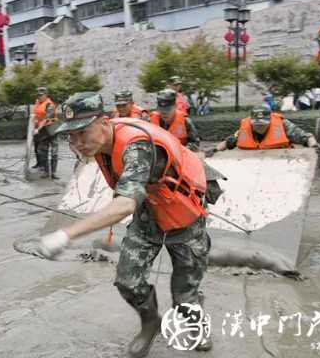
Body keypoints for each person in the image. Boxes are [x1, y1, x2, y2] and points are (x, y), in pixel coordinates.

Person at [35, 92, 215, 357]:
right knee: (128, 280)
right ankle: (150, 322)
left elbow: (124, 206)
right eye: (70, 136)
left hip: (184, 213)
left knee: (185, 292)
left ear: (105, 121)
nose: (77, 143)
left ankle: (195, 325)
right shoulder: (101, 144)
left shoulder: (136, 146)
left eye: (82, 132)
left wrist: (65, 234)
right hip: (149, 211)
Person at [207, 105, 317, 155]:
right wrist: (214, 150)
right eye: (257, 124)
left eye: (263, 124)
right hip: (254, 165)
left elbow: (307, 137)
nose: (260, 127)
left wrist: (314, 147)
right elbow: (229, 142)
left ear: (269, 120)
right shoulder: (245, 129)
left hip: (282, 162)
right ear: (251, 122)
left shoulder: (283, 125)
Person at [32, 87, 59, 179]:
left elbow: (46, 119)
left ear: (45, 95)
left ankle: (54, 172)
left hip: (52, 129)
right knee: (41, 150)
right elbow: (35, 115)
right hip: (43, 130)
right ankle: (46, 171)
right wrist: (34, 124)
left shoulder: (49, 105)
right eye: (38, 95)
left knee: (54, 151)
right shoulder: (37, 103)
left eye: (41, 95)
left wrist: (37, 129)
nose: (39, 97)